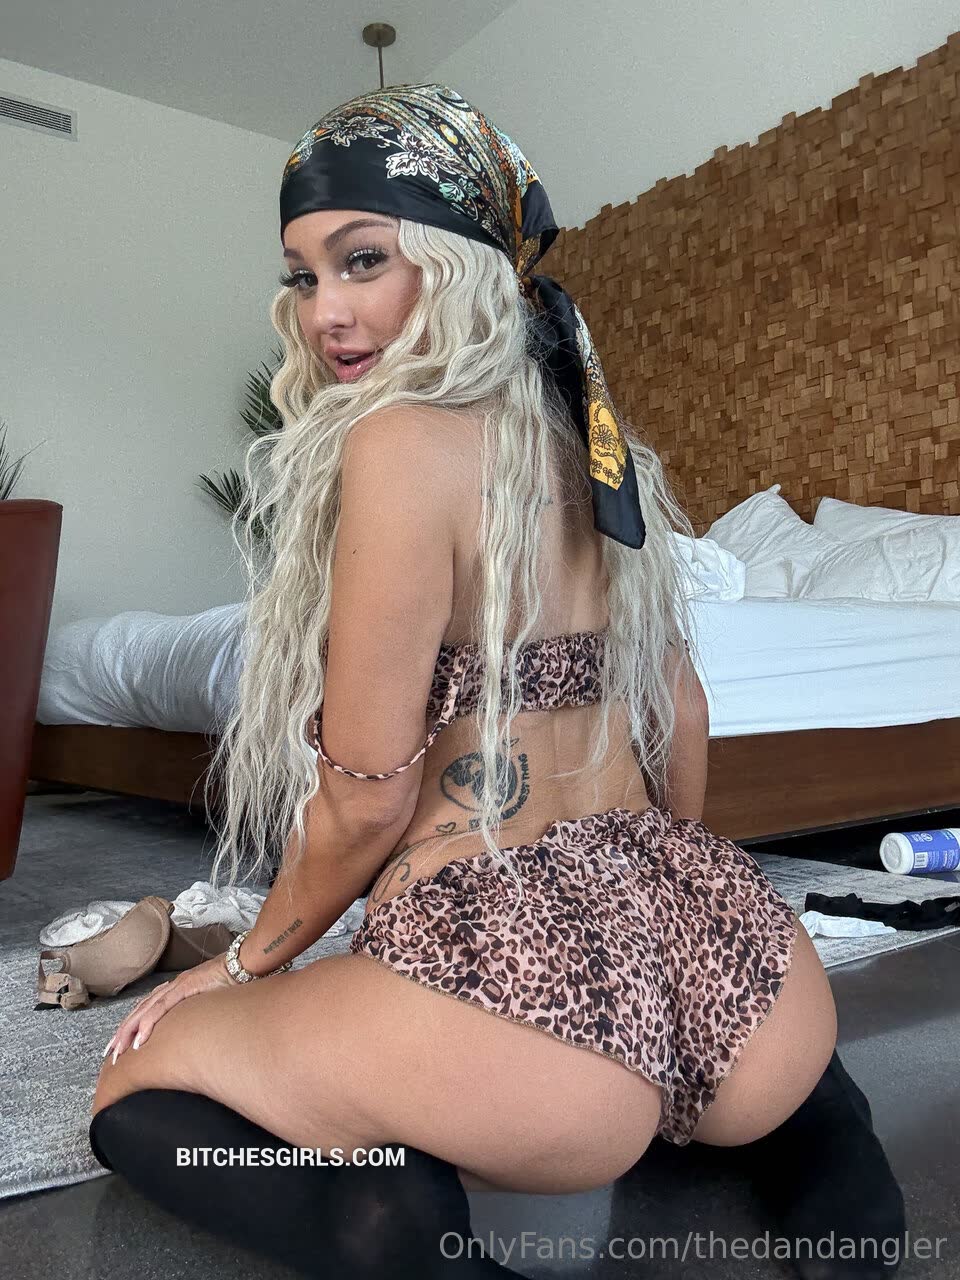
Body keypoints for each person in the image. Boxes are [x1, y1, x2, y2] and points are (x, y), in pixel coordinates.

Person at [87, 83, 905, 1278]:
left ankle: (395, 1223)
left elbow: (365, 797)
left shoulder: (400, 440)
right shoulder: (594, 441)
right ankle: (834, 1155)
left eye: (363, 259)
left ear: (458, 260)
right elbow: (678, 706)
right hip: (757, 1001)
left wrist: (243, 959)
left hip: (518, 1020)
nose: (326, 311)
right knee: (755, 1072)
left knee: (132, 1085)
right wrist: (673, 924)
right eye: (304, 275)